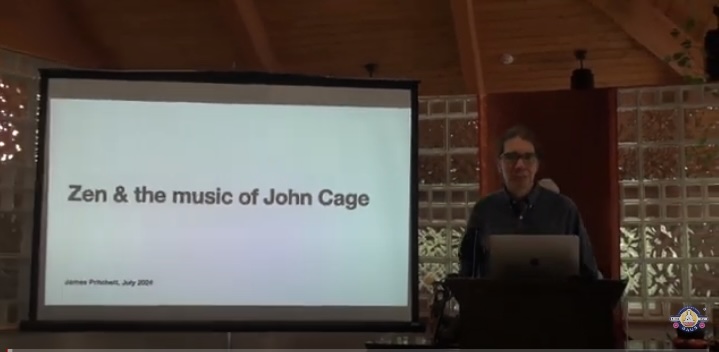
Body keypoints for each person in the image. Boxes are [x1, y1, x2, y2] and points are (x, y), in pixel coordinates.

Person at [458, 125, 600, 278]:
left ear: (537, 164)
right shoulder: (484, 211)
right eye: (511, 157)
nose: (519, 165)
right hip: (497, 301)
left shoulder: (564, 210)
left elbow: (588, 272)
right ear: (499, 165)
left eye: (528, 157)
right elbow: (468, 273)